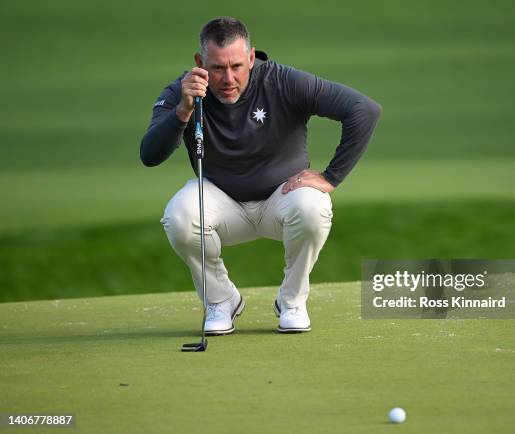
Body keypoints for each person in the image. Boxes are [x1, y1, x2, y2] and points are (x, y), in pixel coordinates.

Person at [140, 17, 381, 335]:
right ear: (200, 63)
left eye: (237, 66)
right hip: (221, 200)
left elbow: (363, 109)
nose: (228, 78)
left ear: (251, 58)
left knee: (314, 207)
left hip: (282, 198)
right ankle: (221, 300)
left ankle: (292, 301)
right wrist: (182, 111)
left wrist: (331, 177)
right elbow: (150, 155)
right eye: (217, 68)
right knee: (179, 216)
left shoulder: (282, 81)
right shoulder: (183, 92)